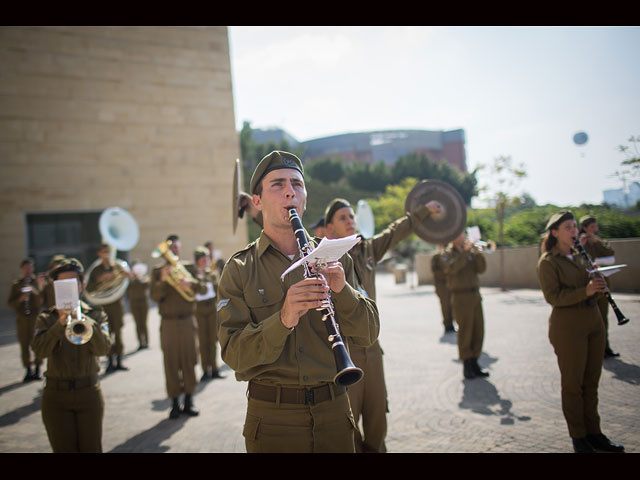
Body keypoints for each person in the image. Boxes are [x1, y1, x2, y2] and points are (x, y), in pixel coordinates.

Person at [217, 151, 380, 453]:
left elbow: (369, 333)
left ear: (304, 198)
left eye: (297, 184)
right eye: (277, 184)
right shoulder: (239, 269)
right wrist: (283, 320)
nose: (290, 191)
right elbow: (234, 355)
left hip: (333, 412)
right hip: (273, 419)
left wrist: (342, 291)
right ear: (257, 201)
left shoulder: (335, 256)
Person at [323, 196, 440, 453]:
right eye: (342, 217)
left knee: (378, 419)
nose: (350, 221)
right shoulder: (324, 258)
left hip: (372, 348)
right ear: (330, 226)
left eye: (352, 216)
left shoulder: (368, 250)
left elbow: (396, 231)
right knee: (349, 422)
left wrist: (423, 211)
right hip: (345, 353)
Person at [537, 211, 624, 453]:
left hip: (592, 321)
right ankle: (579, 437)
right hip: (568, 326)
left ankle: (594, 433)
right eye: (568, 227)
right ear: (555, 232)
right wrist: (584, 291)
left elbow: (591, 282)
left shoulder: (580, 256)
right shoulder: (548, 262)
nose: (574, 231)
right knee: (573, 385)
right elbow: (552, 297)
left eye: (574, 226)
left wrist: (598, 282)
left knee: (591, 382)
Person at [31, 258, 113, 453]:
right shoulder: (46, 318)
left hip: (88, 392)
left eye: (72, 283)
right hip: (56, 396)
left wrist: (84, 319)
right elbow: (39, 351)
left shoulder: (97, 314)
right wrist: (59, 324)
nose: (68, 289)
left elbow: (104, 349)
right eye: (62, 285)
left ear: (81, 285)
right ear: (55, 287)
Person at [151, 234, 208, 419]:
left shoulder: (189, 268)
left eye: (175, 247)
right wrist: (162, 279)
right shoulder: (157, 271)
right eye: (170, 248)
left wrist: (190, 282)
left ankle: (189, 401)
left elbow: (204, 288)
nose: (173, 250)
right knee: (171, 362)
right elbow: (154, 297)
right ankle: (175, 403)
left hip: (188, 321)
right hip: (168, 322)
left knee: (190, 360)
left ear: (180, 248)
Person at [439, 231, 488, 379]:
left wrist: (477, 253)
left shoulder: (471, 251)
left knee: (478, 330)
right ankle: (467, 365)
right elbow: (452, 268)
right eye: (459, 234)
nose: (462, 236)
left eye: (463, 233)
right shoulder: (446, 253)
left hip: (475, 295)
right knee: (465, 331)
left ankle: (475, 362)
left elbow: (481, 269)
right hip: (460, 296)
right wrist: (465, 252)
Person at [579, 215, 619, 358]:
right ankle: (593, 350)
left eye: (596, 226)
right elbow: (574, 260)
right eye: (592, 227)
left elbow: (611, 255)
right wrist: (581, 245)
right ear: (584, 228)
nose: (595, 229)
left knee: (603, 318)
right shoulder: (578, 242)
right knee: (590, 321)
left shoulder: (599, 241)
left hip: (602, 285)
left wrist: (597, 242)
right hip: (588, 287)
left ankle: (605, 348)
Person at [85, 243, 130, 373]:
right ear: (99, 253)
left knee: (118, 332)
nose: (107, 254)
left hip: (116, 304)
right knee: (107, 333)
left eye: (108, 251)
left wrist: (127, 275)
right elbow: (89, 289)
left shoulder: (117, 266)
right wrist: (100, 279)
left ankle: (120, 360)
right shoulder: (96, 270)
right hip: (103, 305)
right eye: (104, 252)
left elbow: (126, 280)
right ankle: (110, 361)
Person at [7, 258, 44, 382]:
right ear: (21, 270)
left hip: (35, 317)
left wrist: (34, 291)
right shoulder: (17, 284)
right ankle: (28, 369)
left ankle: (38, 367)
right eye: (25, 268)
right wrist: (20, 299)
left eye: (29, 268)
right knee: (24, 344)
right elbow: (10, 303)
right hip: (22, 318)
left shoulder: (37, 282)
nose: (27, 271)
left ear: (32, 269)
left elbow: (41, 301)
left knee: (37, 342)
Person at [193, 246, 223, 381]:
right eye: (202, 259)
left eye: (206, 259)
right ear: (197, 260)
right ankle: (206, 370)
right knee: (202, 341)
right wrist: (199, 275)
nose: (205, 261)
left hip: (211, 308)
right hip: (198, 309)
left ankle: (215, 368)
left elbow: (218, 290)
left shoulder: (212, 273)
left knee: (212, 340)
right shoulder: (193, 275)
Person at [431, 244, 455, 334]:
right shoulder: (436, 257)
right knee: (445, 306)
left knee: (452, 305)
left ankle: (452, 323)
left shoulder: (449, 255)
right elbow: (434, 271)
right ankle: (447, 325)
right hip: (441, 285)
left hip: (450, 284)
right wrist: (445, 272)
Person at [127, 260, 150, 350]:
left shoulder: (144, 278)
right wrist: (132, 278)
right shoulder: (130, 280)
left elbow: (146, 284)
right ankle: (140, 342)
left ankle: (146, 341)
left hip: (143, 302)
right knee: (137, 323)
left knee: (144, 322)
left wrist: (139, 278)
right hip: (134, 302)